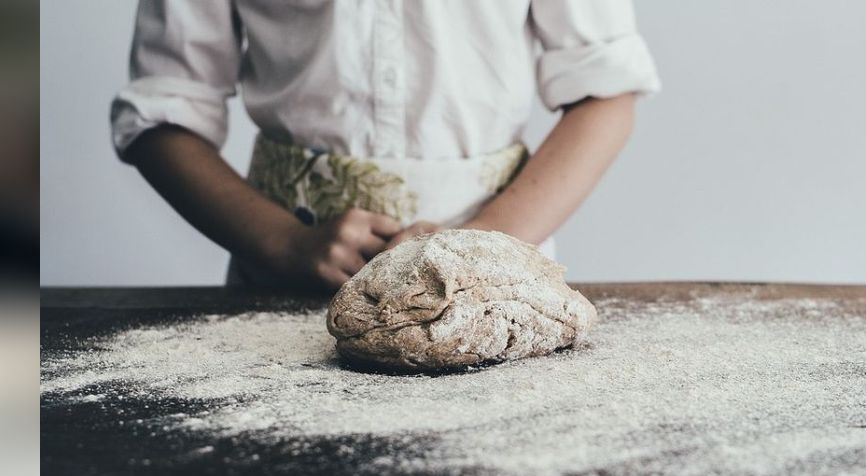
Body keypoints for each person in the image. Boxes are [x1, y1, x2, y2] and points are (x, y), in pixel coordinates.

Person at [112, 1, 660, 289]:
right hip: (284, 279)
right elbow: (162, 111)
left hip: (496, 277)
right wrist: (284, 243)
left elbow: (605, 96)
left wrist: (478, 247)